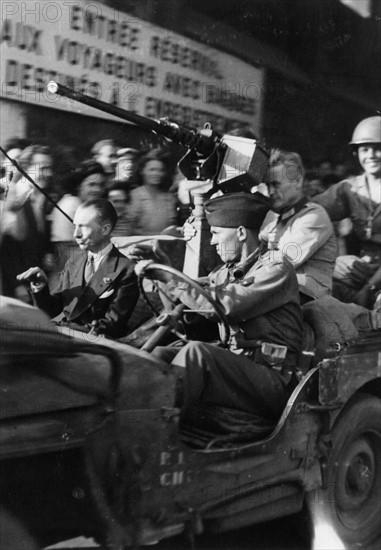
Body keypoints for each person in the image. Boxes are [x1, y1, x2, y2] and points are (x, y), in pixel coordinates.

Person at [130, 192, 303, 419]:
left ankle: (158, 425)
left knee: (197, 353)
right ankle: (134, 414)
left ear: (241, 232)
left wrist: (169, 278)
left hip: (273, 378)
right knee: (160, 355)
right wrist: (160, 270)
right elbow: (186, 308)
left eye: (215, 233)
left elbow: (224, 305)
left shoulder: (275, 267)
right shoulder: (223, 273)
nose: (212, 241)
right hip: (236, 367)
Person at [17, 199, 139, 339]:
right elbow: (56, 309)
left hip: (96, 346)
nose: (76, 234)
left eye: (84, 227)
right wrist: (41, 288)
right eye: (75, 226)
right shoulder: (74, 261)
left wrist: (62, 328)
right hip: (67, 337)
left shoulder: (127, 269)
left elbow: (112, 326)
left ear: (105, 229)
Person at [313, 116, 381, 308]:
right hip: (364, 269)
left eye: (378, 148)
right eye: (365, 149)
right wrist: (332, 262)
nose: (371, 155)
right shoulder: (349, 189)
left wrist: (369, 289)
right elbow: (310, 213)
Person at [260, 149, 338, 303]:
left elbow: (280, 264)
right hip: (281, 296)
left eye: (276, 184)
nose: (270, 192)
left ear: (297, 181)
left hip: (309, 305)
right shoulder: (273, 217)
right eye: (268, 185)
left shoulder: (314, 216)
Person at [1, 144, 54, 301]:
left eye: (50, 168)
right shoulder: (12, 198)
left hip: (33, 284)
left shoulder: (43, 199)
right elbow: (5, 249)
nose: (48, 173)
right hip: (14, 288)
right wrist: (17, 285)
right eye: (42, 168)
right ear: (25, 168)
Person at [126, 149, 179, 235]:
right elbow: (128, 228)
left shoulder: (170, 198)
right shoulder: (134, 195)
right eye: (152, 170)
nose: (156, 174)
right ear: (142, 171)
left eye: (161, 170)